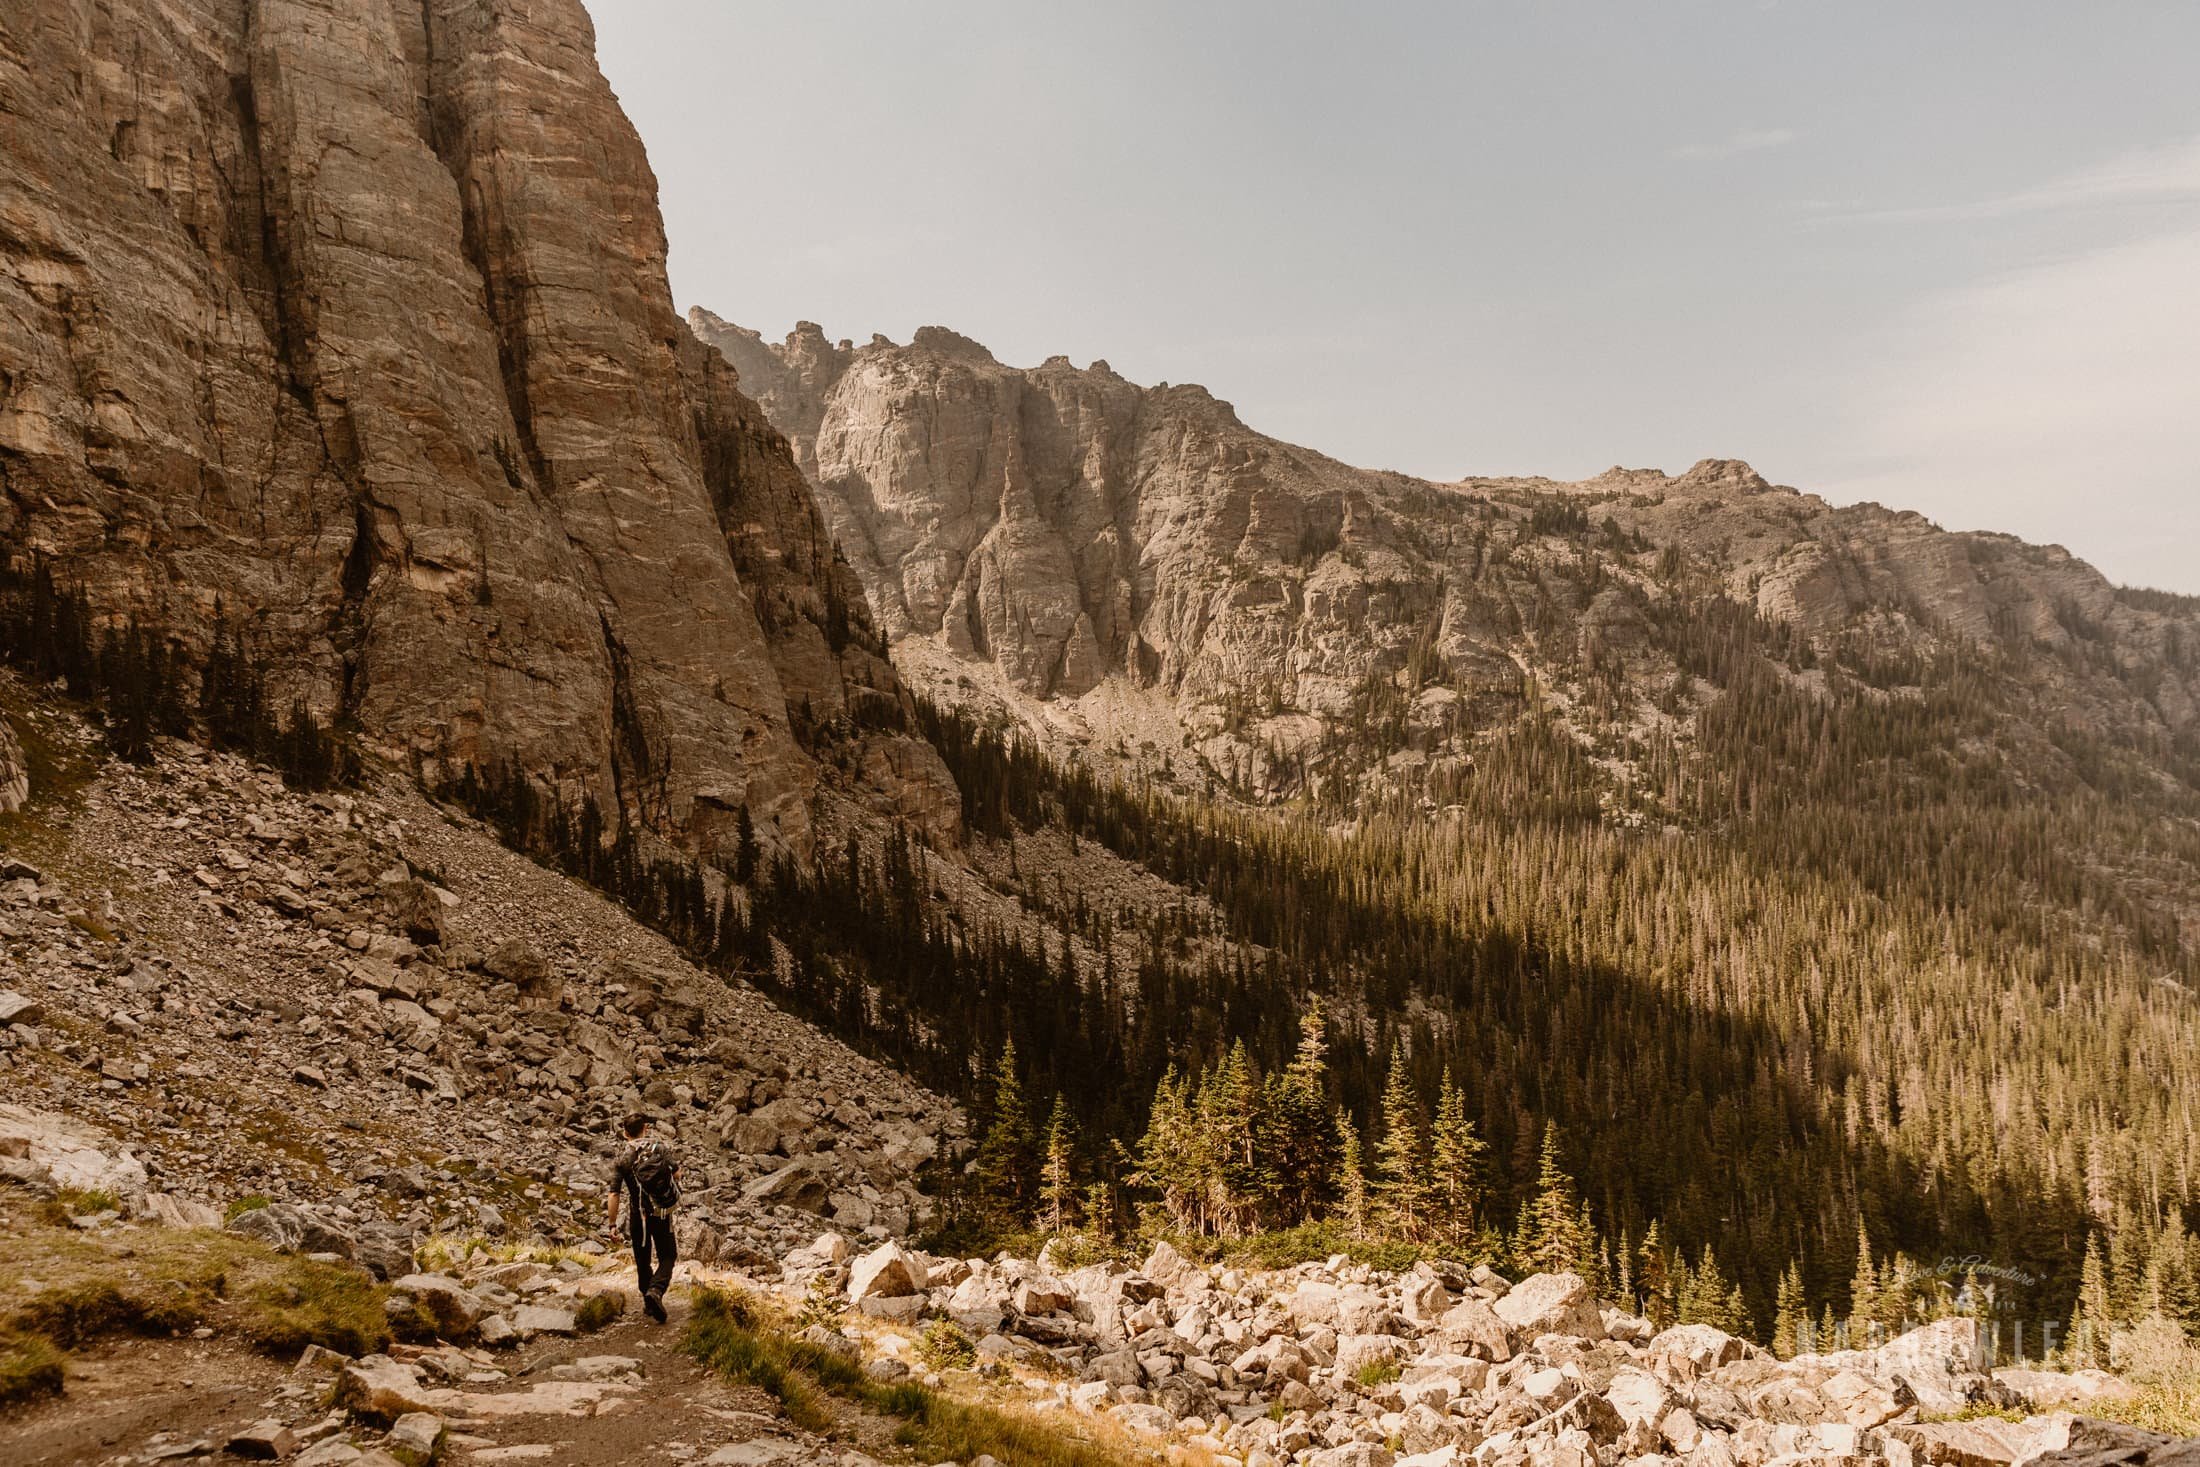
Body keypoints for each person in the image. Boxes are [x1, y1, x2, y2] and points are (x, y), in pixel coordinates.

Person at [604, 1111, 682, 1322]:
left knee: (642, 1258)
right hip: (661, 1212)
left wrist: (612, 1224)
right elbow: (677, 1174)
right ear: (645, 1129)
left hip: (638, 1215)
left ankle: (648, 1298)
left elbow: (614, 1193)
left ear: (625, 1133)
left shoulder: (623, 1159)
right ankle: (655, 1291)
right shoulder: (659, 1148)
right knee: (668, 1255)